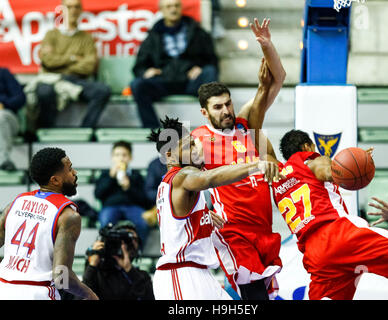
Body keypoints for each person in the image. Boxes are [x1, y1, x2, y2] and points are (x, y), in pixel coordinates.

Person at [269, 129, 388, 300]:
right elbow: (334, 173)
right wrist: (357, 163)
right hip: (338, 235)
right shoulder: (313, 161)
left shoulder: (278, 179)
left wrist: (357, 161)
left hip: (315, 255)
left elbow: (262, 144)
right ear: (308, 146)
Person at [190, 18, 286, 300]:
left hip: (263, 228)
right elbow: (177, 182)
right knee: (254, 292)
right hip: (233, 230)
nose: (226, 110)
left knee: (262, 295)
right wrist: (201, 213)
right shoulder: (196, 140)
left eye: (228, 103)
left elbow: (276, 79)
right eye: (217, 107)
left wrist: (267, 45)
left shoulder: (246, 124)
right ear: (205, 113)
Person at [148, 116, 282, 300]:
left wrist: (201, 215)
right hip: (180, 275)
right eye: (188, 148)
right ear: (169, 155)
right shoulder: (182, 176)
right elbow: (209, 178)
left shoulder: (171, 183)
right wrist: (256, 165)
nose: (195, 151)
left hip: (198, 274)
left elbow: (177, 221)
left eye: (193, 144)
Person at [0, 147, 98, 300]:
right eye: (70, 168)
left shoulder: (15, 203)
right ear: (55, 180)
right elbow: (61, 277)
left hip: (4, 289)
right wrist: (89, 295)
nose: (75, 173)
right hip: (37, 293)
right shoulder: (68, 216)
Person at [131, 0, 219, 128]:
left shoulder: (197, 31)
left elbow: (212, 59)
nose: (173, 9)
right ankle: (152, 130)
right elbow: (138, 66)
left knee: (210, 71)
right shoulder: (153, 36)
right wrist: (147, 71)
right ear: (162, 10)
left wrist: (200, 67)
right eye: (169, 6)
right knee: (137, 85)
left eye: (176, 5)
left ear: (181, 8)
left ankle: (216, 124)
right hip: (164, 82)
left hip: (191, 82)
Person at [33, 0, 110, 129]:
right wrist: (74, 58)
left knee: (102, 90)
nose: (73, 10)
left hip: (77, 80)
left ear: (81, 11)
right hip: (52, 79)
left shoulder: (87, 38)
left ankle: (85, 130)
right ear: (62, 9)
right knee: (44, 91)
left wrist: (60, 63)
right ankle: (46, 131)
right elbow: (48, 61)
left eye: (76, 7)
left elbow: (88, 67)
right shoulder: (51, 35)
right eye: (69, 7)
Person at [94, 140, 151, 248]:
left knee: (143, 223)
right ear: (112, 157)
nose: (120, 158)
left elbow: (144, 198)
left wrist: (129, 187)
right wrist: (111, 177)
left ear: (130, 157)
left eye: (124, 155)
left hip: (132, 206)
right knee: (106, 222)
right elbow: (98, 194)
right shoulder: (105, 174)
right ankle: (109, 251)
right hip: (111, 206)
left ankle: (136, 250)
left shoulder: (136, 175)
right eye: (117, 155)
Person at [82, 220, 155, 300]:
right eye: (122, 239)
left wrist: (130, 270)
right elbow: (82, 296)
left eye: (133, 239)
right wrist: (92, 264)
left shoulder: (142, 277)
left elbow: (148, 297)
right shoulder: (99, 273)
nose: (125, 245)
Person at [0, 68, 26, 171]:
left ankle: (3, 160)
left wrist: (4, 103)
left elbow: (20, 97)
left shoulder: (3, 73)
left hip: (7, 117)